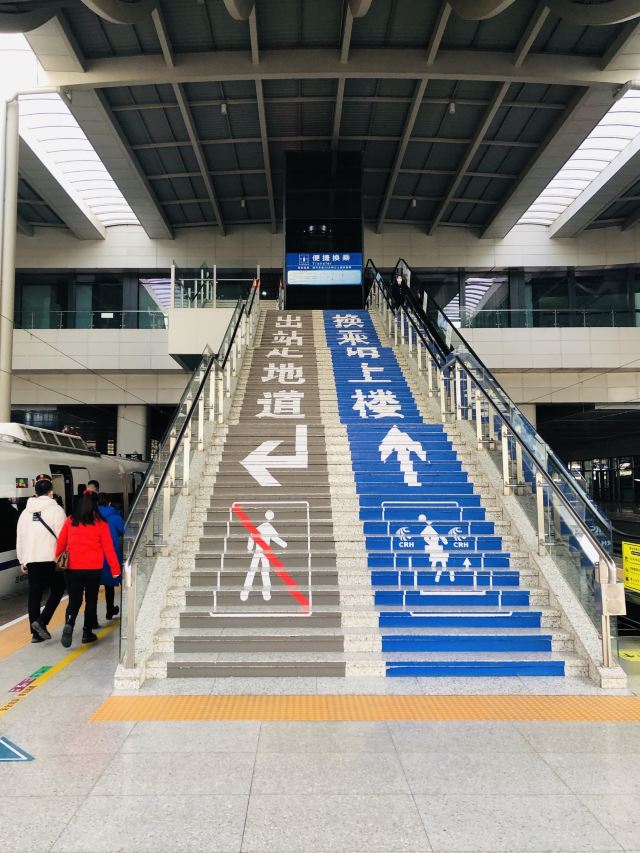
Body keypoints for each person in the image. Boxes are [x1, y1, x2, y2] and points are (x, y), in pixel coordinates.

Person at [55, 491, 120, 648]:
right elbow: (108, 549)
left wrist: (58, 558)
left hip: (73, 568)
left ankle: (69, 623)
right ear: (96, 505)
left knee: (74, 600)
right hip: (93, 568)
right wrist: (115, 570)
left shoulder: (71, 520)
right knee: (91, 600)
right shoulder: (101, 523)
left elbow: (61, 543)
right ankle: (87, 632)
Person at [16, 478, 67, 642]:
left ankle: (36, 634)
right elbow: (63, 537)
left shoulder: (25, 513)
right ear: (51, 492)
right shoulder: (56, 510)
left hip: (31, 559)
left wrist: (22, 559)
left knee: (34, 594)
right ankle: (42, 621)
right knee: (58, 589)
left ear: (35, 493)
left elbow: (20, 538)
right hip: (51, 558)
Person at [97, 493, 123, 622]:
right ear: (109, 503)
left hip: (94, 556)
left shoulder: (91, 517)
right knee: (109, 585)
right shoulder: (115, 517)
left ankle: (92, 620)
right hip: (110, 555)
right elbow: (127, 532)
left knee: (92, 589)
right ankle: (110, 610)